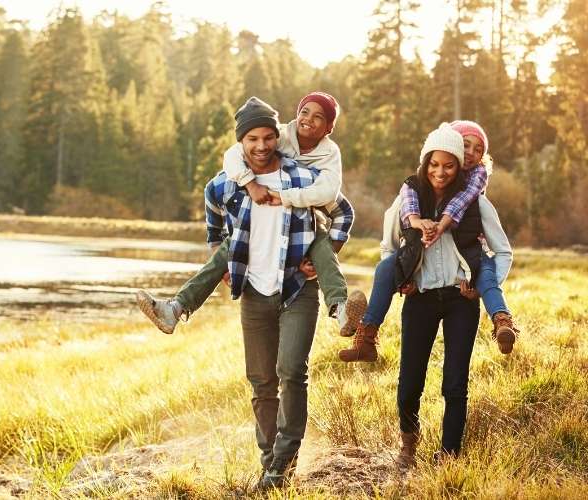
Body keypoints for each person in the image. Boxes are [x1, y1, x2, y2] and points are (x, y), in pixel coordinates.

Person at [136, 92, 365, 338]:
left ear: (329, 127)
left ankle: (341, 311)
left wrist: (323, 254)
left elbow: (332, 194)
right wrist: (250, 184)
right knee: (230, 246)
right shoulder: (278, 134)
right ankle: (175, 309)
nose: (307, 119)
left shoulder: (329, 155)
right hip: (259, 225)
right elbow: (233, 155)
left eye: (319, 116)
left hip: (307, 221)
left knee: (321, 245)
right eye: (304, 112)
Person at [198, 97, 328, 490]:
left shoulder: (302, 178)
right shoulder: (222, 184)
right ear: (240, 142)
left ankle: (282, 463)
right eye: (252, 138)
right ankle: (271, 463)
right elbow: (213, 225)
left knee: (291, 372)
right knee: (261, 381)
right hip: (254, 292)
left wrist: (324, 255)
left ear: (278, 138)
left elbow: (344, 212)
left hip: (296, 288)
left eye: (269, 137)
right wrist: (222, 261)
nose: (261, 145)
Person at [380, 123, 513, 466]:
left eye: (450, 164)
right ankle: (408, 447)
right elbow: (388, 247)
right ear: (427, 162)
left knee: (455, 382)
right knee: (410, 378)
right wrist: (400, 279)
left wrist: (481, 286)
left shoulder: (476, 203)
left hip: (460, 300)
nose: (441, 171)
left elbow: (503, 252)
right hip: (420, 298)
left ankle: (450, 454)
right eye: (435, 164)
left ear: (458, 165)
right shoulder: (408, 199)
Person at [338, 120, 519, 363]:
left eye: (478, 150)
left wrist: (441, 226)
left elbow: (462, 205)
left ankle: (502, 320)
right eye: (466, 145)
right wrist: (404, 275)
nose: (471, 154)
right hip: (420, 277)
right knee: (384, 269)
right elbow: (398, 222)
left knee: (486, 273)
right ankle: (366, 334)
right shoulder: (415, 186)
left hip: (467, 261)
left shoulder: (475, 186)